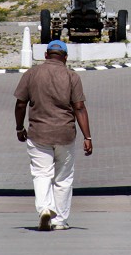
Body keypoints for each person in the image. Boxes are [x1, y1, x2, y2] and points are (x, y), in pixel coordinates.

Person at [14, 40, 93, 231]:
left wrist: (19, 127)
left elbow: (20, 104)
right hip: (65, 134)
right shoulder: (71, 76)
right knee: (63, 179)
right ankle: (60, 221)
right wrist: (87, 137)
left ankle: (44, 209)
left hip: (38, 133)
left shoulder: (31, 74)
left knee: (41, 174)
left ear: (46, 55)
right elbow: (79, 107)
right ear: (65, 57)